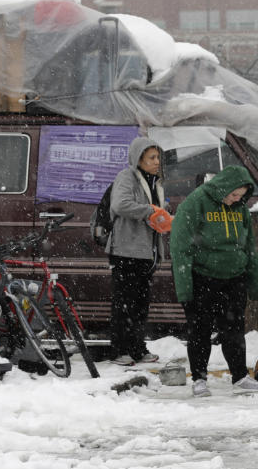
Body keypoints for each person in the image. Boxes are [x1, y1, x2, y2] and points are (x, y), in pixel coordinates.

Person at [170, 165, 258, 397]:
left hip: (234, 278)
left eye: (241, 196)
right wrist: (185, 288)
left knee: (234, 330)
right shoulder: (195, 203)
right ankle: (199, 379)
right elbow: (180, 246)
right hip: (203, 278)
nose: (236, 199)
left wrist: (254, 283)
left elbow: (249, 247)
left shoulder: (240, 208)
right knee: (200, 331)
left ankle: (240, 377)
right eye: (234, 194)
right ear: (223, 187)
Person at [106, 136, 171, 365]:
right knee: (124, 303)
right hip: (126, 250)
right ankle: (119, 349)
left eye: (158, 158)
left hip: (146, 252)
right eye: (152, 157)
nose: (156, 162)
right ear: (139, 158)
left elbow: (155, 212)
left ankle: (137, 347)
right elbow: (120, 204)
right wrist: (150, 211)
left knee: (140, 304)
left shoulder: (156, 182)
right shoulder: (127, 177)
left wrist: (163, 215)